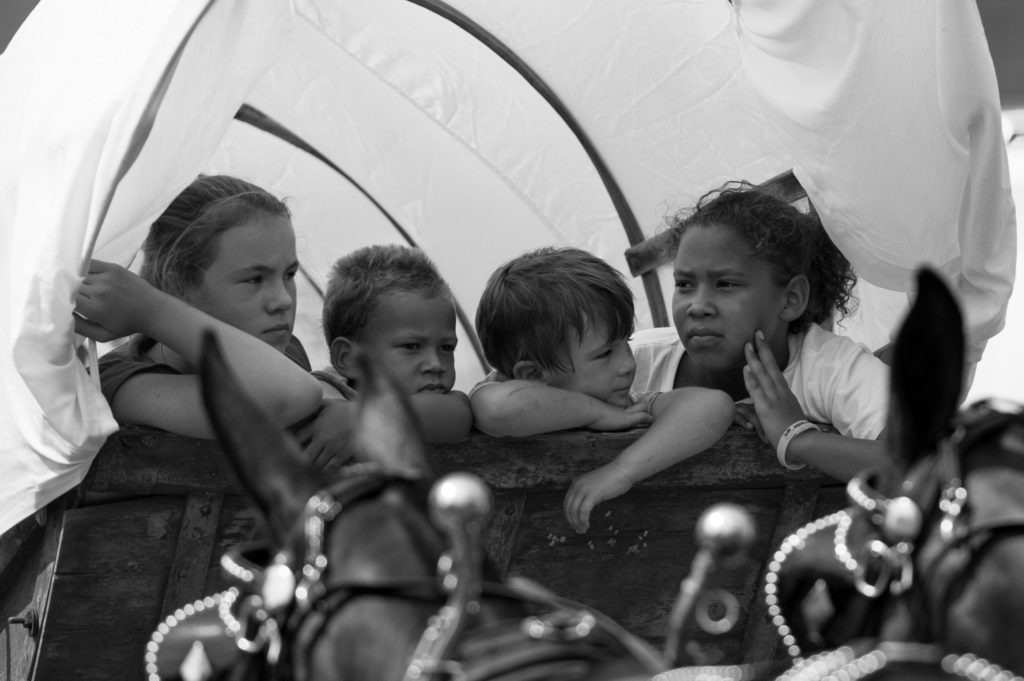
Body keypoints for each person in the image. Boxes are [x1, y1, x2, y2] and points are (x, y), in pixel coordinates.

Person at [630, 181, 891, 482]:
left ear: (791, 299)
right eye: (684, 284)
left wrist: (797, 438)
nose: (697, 306)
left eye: (726, 284)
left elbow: (927, 463)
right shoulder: (634, 361)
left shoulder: (831, 369)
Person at [472, 247, 735, 533]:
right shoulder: (498, 394)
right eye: (604, 354)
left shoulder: (627, 407)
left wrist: (622, 470)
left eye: (627, 343)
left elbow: (714, 406)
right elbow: (499, 410)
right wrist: (596, 414)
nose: (627, 364)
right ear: (533, 375)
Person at [74, 175, 324, 446]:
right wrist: (150, 310)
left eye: (289, 274)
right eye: (254, 279)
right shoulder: (114, 381)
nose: (283, 300)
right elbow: (290, 395)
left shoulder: (278, 349)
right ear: (179, 284)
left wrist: (348, 410)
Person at [318, 244, 473, 443]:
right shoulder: (321, 396)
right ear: (349, 359)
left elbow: (458, 414)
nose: (436, 364)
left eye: (446, 348)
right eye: (412, 346)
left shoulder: (443, 400)